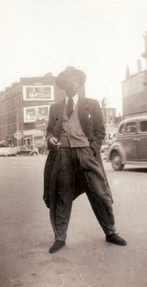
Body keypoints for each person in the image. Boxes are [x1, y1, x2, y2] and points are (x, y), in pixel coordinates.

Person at [43, 66, 127, 253]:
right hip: (63, 154)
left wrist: (92, 149)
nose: (71, 84)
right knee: (61, 196)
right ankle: (60, 237)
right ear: (63, 85)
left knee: (100, 193)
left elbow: (100, 130)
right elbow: (49, 131)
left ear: (79, 84)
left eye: (75, 80)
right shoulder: (55, 108)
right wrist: (51, 139)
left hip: (86, 154)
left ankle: (111, 232)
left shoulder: (92, 104)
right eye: (67, 81)